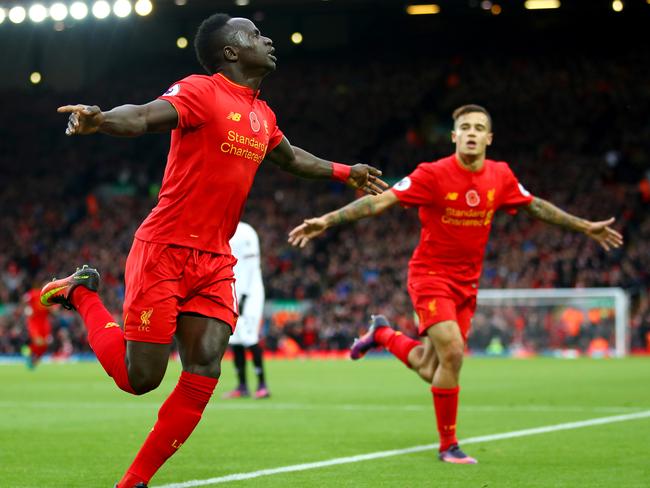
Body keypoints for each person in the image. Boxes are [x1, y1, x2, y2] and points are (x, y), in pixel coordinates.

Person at [41, 13, 387, 488]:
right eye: (254, 35)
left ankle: (133, 482)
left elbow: (290, 158)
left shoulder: (262, 114)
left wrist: (346, 172)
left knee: (205, 363)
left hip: (214, 259)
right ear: (230, 52)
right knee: (138, 379)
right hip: (165, 248)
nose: (266, 39)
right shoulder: (202, 91)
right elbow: (143, 115)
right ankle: (82, 294)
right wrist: (101, 120)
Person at [288, 104, 623, 464]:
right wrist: (327, 220)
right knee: (453, 353)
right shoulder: (432, 174)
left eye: (480, 127)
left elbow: (535, 206)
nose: (473, 132)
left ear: (489, 138)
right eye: (465, 127)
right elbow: (379, 203)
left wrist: (584, 226)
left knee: (432, 368)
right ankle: (448, 446)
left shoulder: (501, 176)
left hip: (468, 285)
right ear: (454, 136)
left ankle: (382, 335)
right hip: (430, 277)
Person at [223, 221, 270, 399]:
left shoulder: (246, 231)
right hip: (232, 292)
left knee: (250, 337)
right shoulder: (222, 229)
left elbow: (251, 266)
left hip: (250, 294)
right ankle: (242, 386)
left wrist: (243, 295)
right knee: (235, 338)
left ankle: (262, 385)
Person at [22, 286, 52, 369]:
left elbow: (52, 310)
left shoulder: (50, 296)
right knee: (38, 341)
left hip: (44, 324)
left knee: (45, 344)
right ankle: (26, 351)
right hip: (34, 323)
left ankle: (33, 359)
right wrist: (27, 308)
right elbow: (24, 299)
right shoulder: (34, 293)